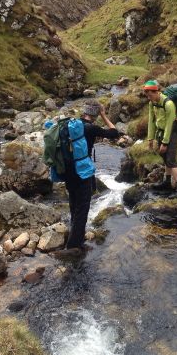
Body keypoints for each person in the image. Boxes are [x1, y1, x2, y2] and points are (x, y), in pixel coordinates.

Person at [59, 99, 120, 257]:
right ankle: (74, 245)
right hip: (82, 171)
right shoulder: (91, 128)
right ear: (95, 113)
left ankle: (73, 235)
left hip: (67, 170)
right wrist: (104, 116)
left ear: (84, 111)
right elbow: (114, 133)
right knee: (83, 207)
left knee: (74, 203)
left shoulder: (69, 124)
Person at [144, 80, 177, 191]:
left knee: (171, 161)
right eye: (147, 95)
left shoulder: (168, 104)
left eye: (150, 95)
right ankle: (167, 183)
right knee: (165, 159)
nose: (148, 98)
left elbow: (170, 124)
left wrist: (165, 142)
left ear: (156, 92)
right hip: (160, 133)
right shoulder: (152, 103)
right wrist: (150, 139)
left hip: (171, 133)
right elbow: (151, 121)